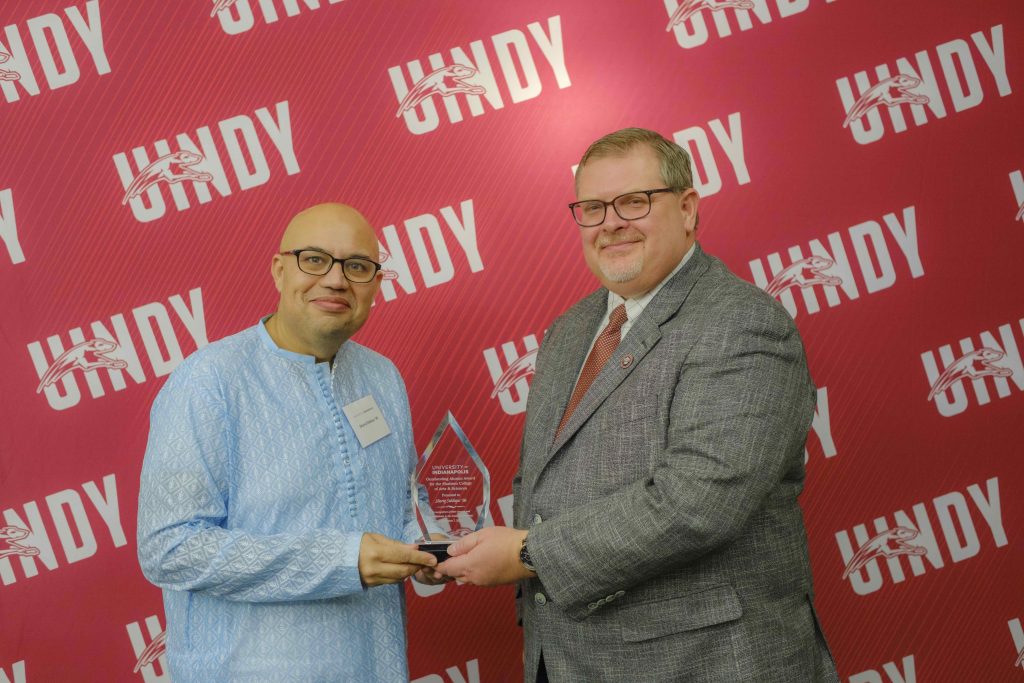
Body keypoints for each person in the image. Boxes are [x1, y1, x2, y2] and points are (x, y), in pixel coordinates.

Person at [437, 129, 839, 681]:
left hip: (705, 665)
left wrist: (529, 553)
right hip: (570, 660)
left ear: (688, 208)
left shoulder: (741, 324)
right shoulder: (570, 330)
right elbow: (553, 489)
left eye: (634, 201)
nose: (611, 223)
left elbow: (697, 502)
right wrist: (459, 550)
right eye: (593, 207)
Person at [137, 203, 440, 682]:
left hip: (377, 666)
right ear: (279, 271)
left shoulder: (382, 378)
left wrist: (428, 547)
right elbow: (171, 548)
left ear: (376, 286)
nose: (336, 281)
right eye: (314, 259)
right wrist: (341, 560)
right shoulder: (209, 382)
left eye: (357, 267)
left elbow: (403, 505)